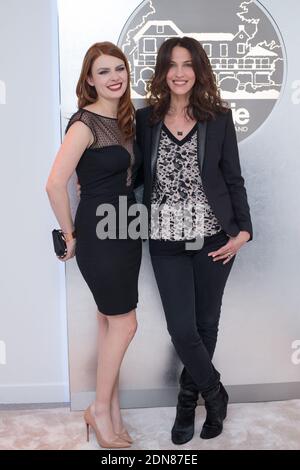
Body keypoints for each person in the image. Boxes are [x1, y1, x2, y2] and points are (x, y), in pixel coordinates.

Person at [136, 37, 253, 443]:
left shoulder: (218, 118)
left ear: (199, 70)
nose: (180, 72)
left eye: (187, 64)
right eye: (172, 64)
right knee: (182, 328)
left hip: (214, 238)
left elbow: (233, 177)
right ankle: (215, 393)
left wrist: (244, 231)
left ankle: (188, 402)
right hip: (165, 238)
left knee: (205, 325)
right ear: (162, 71)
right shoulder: (145, 119)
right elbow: (134, 178)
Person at [46, 42, 143, 449]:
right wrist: (69, 235)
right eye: (103, 71)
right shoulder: (84, 123)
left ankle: (111, 412)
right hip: (100, 231)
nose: (114, 77)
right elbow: (54, 184)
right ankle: (99, 410)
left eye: (119, 69)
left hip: (128, 226)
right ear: (89, 79)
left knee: (109, 323)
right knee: (125, 323)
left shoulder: (126, 119)